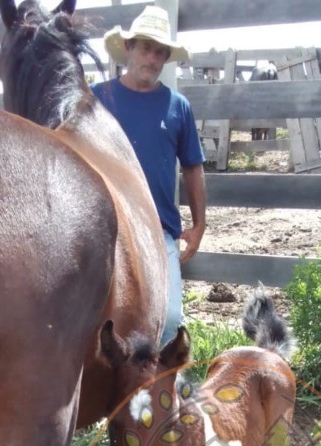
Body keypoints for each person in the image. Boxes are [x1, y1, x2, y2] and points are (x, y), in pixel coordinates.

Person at [92, 5, 206, 345]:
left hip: (159, 230)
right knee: (103, 319)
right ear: (129, 48)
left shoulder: (177, 106)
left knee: (169, 320)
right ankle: (112, 391)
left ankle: (162, 391)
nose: (152, 58)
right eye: (145, 47)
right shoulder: (99, 99)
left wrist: (199, 224)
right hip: (104, 228)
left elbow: (192, 167)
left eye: (160, 52)